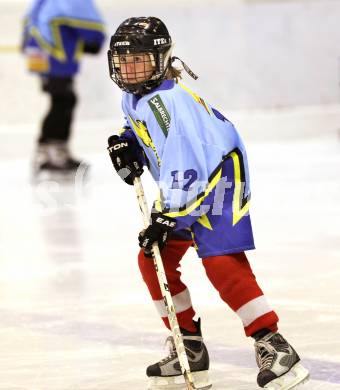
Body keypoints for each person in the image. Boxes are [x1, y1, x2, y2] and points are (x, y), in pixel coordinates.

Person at [107, 17, 310, 390]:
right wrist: (127, 142)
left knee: (220, 262)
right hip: (184, 184)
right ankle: (190, 346)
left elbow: (188, 162)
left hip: (218, 179)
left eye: (140, 59)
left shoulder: (170, 103)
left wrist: (167, 216)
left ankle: (274, 344)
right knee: (155, 259)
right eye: (124, 61)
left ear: (160, 59)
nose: (131, 69)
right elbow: (142, 130)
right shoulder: (135, 96)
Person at [22, 0, 106, 176]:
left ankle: (50, 150)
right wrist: (95, 39)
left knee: (62, 100)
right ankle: (51, 151)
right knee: (63, 100)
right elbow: (88, 25)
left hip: (43, 51)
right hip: (55, 55)